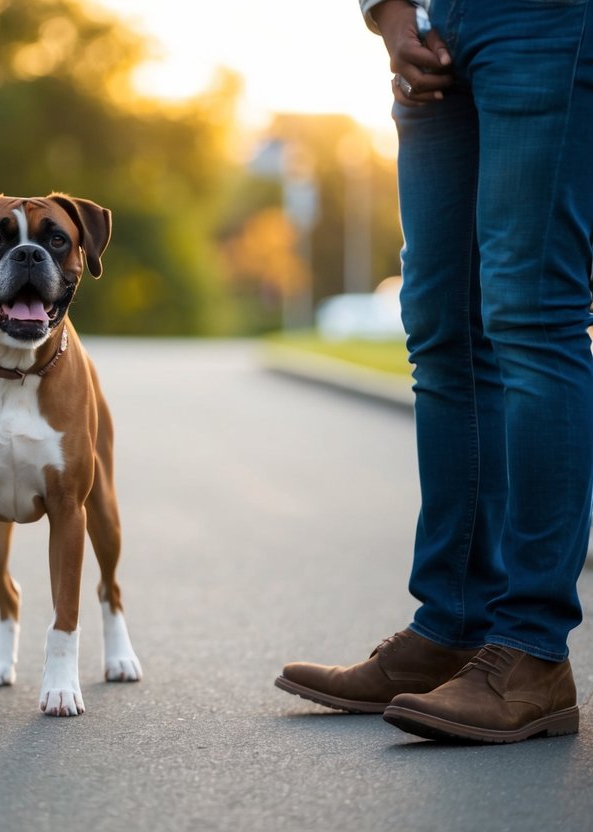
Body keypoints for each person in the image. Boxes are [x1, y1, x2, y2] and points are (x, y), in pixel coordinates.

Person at [276, 0, 593, 743]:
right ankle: (452, 627)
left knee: (531, 314)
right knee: (441, 327)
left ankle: (531, 653)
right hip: (432, 22)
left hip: (546, 21)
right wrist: (386, 11)